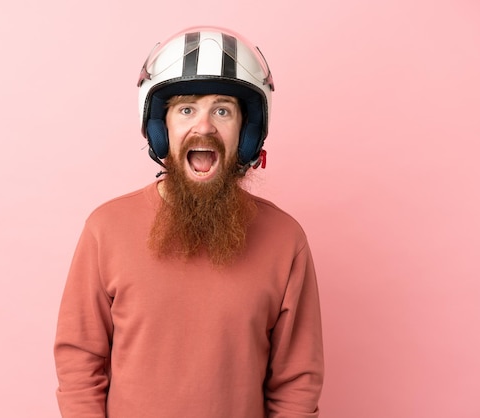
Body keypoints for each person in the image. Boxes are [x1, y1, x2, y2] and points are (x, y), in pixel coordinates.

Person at [54, 26, 324, 418]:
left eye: (222, 110)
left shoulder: (286, 240)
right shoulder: (105, 229)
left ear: (247, 135)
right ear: (160, 131)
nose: (204, 127)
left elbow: (297, 382)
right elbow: (79, 363)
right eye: (186, 109)